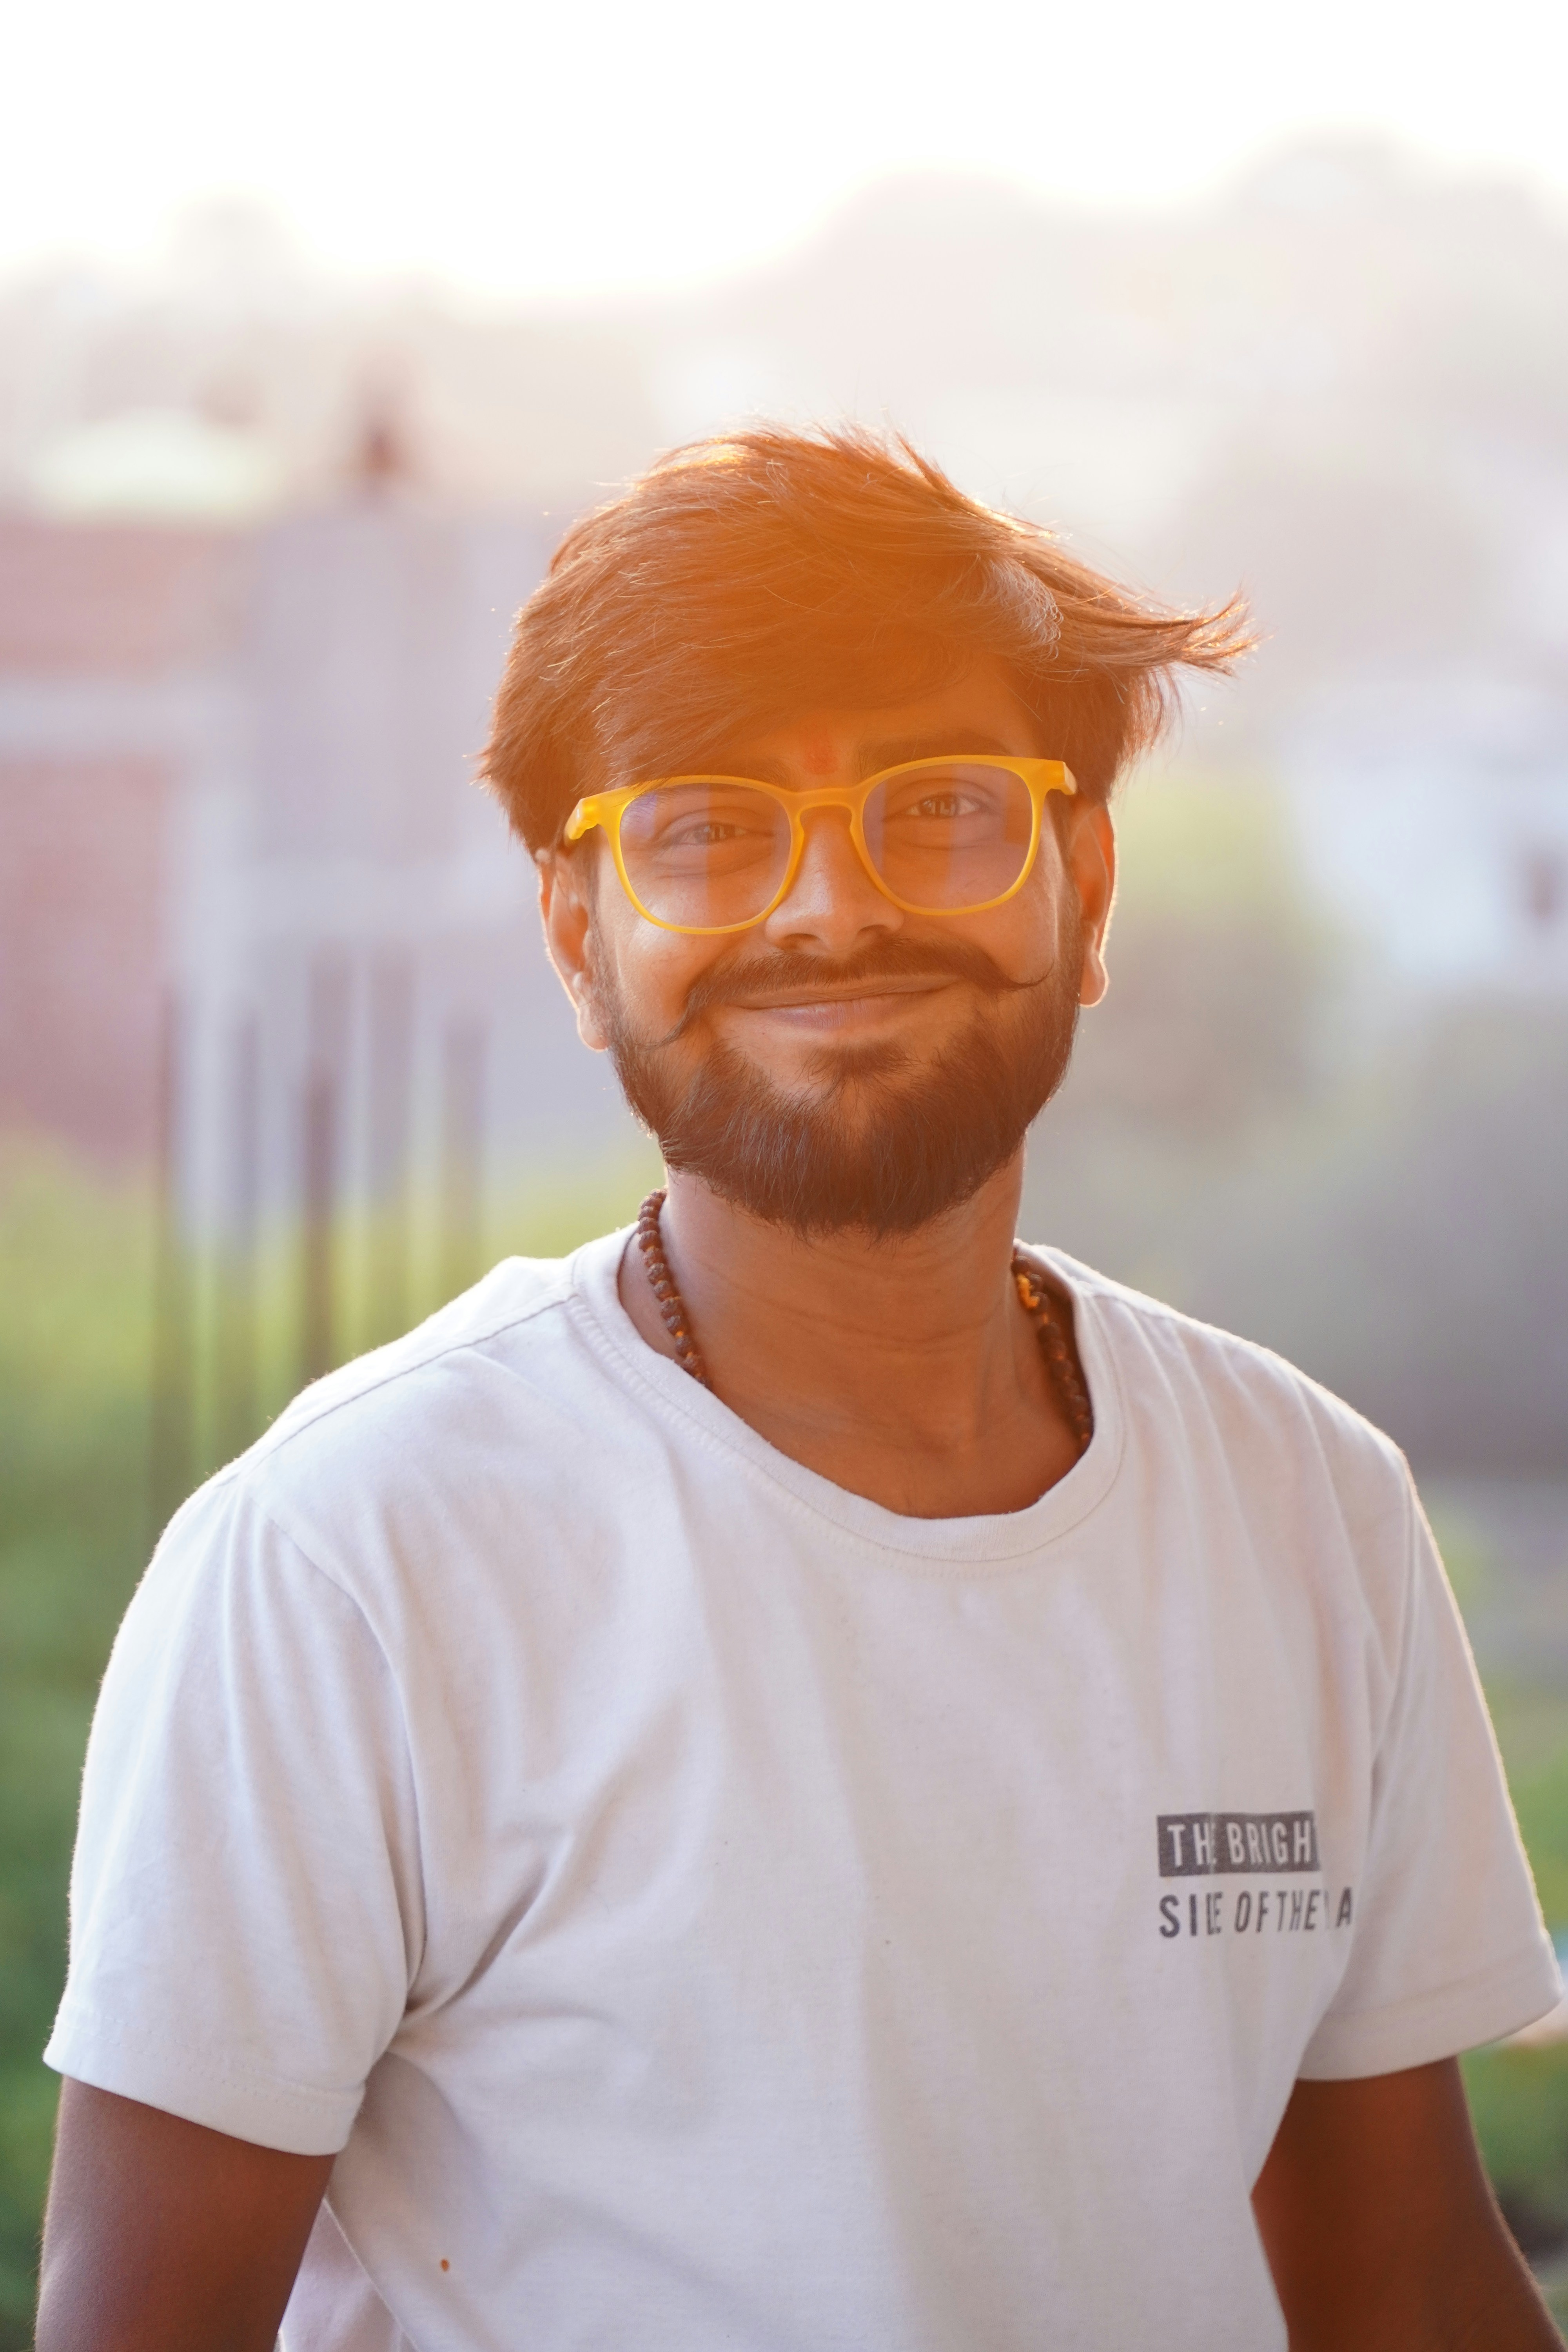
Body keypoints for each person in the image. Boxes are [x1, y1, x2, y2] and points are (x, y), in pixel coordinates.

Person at [36, 428, 1563, 2352]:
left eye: (938, 811)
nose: (830, 911)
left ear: (1083, 888)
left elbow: (1406, 2284)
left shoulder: (1305, 1505)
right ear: (580, 941)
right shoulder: (349, 1557)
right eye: (704, 829)